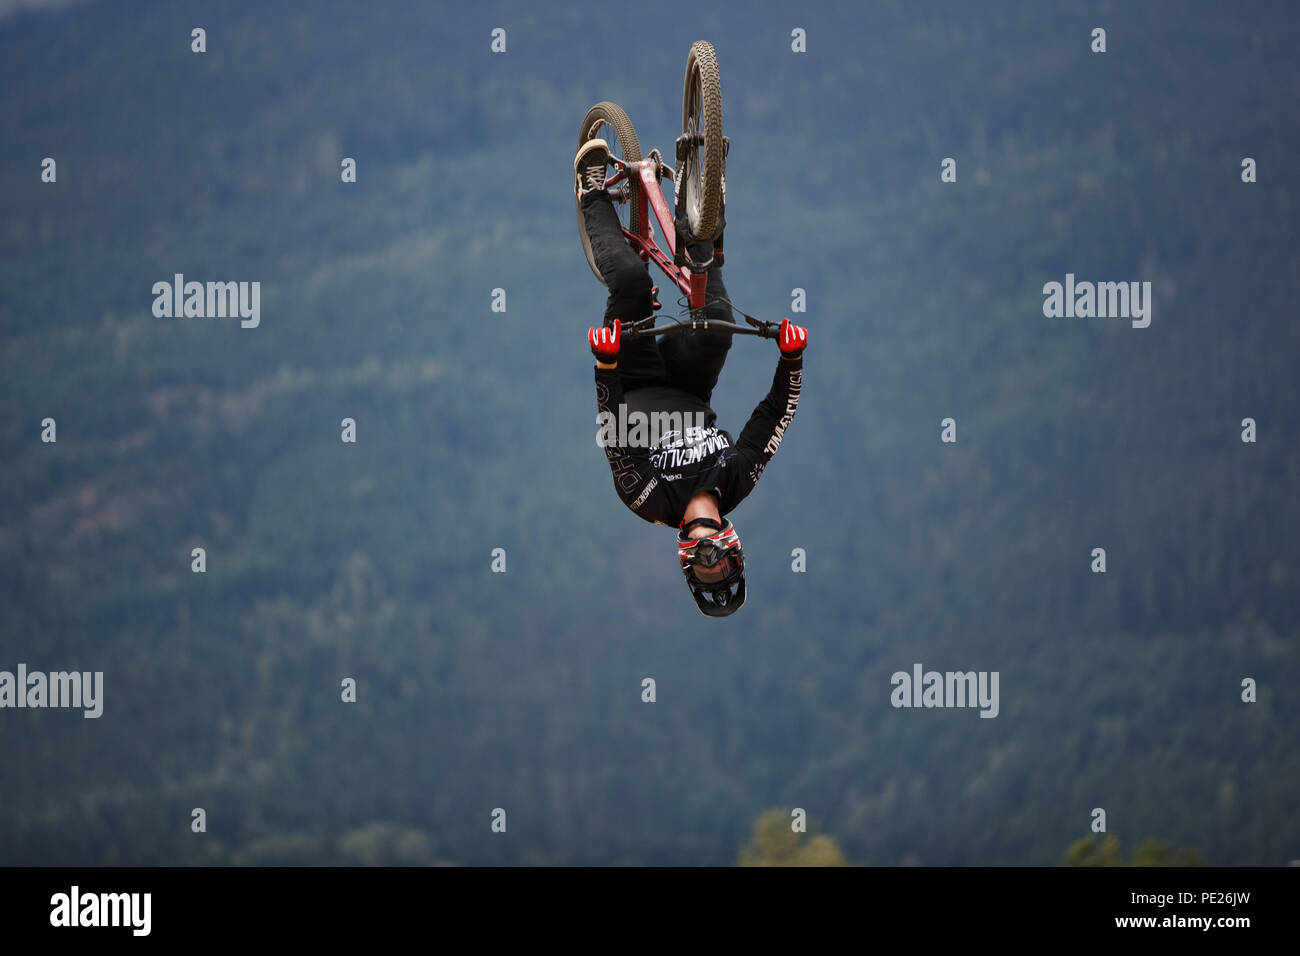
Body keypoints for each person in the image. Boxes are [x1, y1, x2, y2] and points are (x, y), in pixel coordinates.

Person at [574, 137, 807, 617]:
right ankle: (701, 225)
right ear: (735, 547)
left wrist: (607, 365)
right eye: (720, 566)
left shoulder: (647, 500)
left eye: (702, 571)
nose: (709, 560)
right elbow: (773, 420)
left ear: (684, 563)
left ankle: (592, 193)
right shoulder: (735, 481)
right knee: (717, 327)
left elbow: (615, 429)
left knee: (632, 283)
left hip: (632, 379)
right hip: (689, 384)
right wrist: (791, 359)